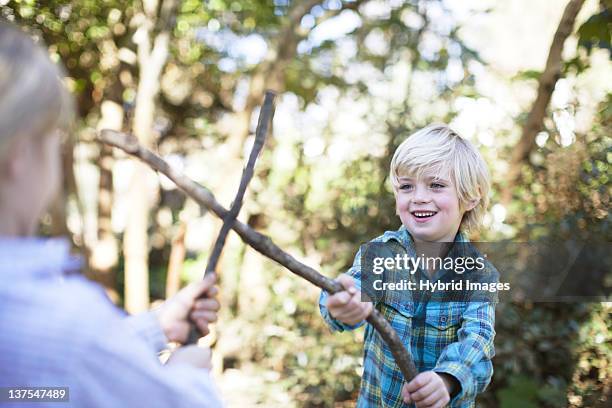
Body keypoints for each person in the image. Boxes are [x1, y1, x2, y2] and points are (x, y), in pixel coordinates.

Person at [0, 21, 223, 407]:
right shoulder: (66, 320)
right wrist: (185, 375)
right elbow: (72, 355)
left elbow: (39, 387)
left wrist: (157, 325)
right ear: (19, 153)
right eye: (55, 138)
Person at [319, 124, 496, 407]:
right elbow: (352, 290)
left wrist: (447, 380)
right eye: (406, 186)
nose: (419, 197)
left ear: (470, 196)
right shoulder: (381, 255)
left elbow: (478, 345)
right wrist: (341, 303)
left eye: (436, 185)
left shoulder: (479, 276)